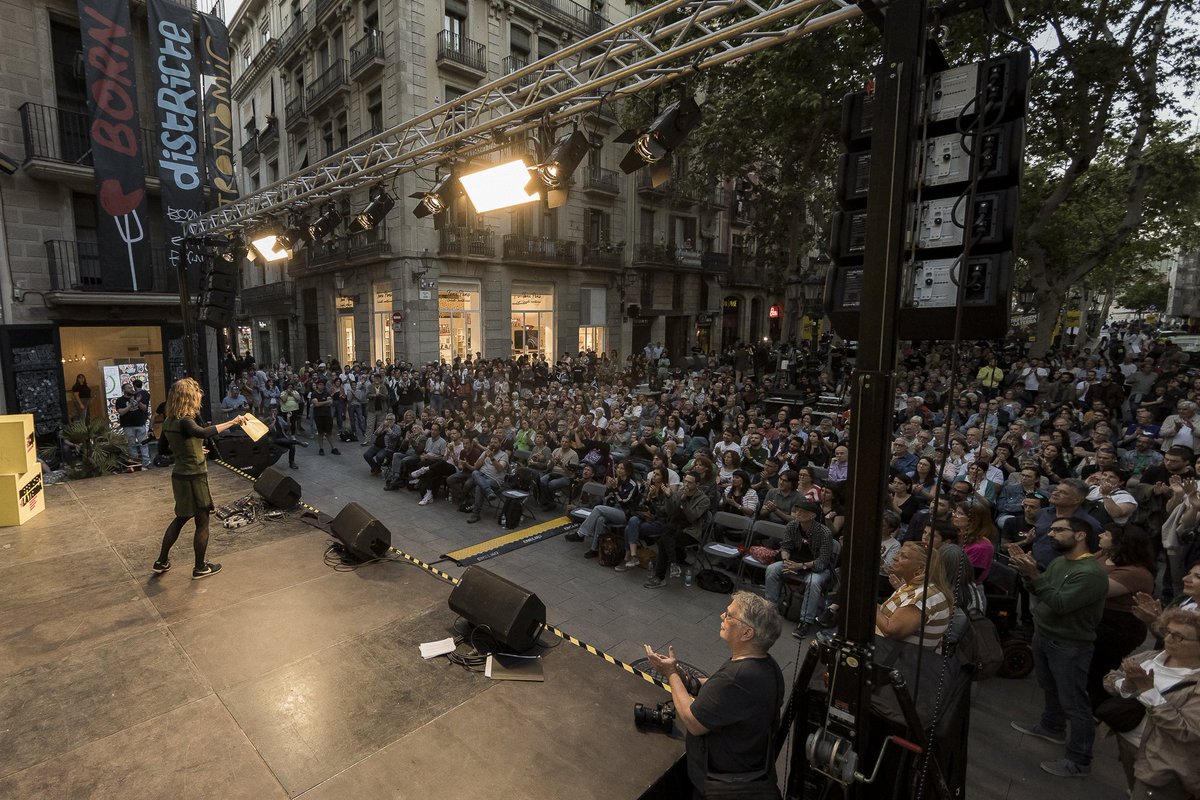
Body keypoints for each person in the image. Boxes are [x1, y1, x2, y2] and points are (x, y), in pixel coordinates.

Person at [643, 591, 784, 799]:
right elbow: (718, 690)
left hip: (722, 786)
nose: (722, 617)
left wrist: (671, 673)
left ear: (747, 633)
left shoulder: (736, 678)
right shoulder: (766, 666)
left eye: (729, 615)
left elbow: (692, 721)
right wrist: (689, 681)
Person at [1008, 517, 1110, 778]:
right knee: (1049, 685)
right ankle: (1052, 726)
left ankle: (1079, 759)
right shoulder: (1059, 562)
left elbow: (1061, 604)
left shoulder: (1090, 573)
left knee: (1074, 702)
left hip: (1069, 643)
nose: (1050, 534)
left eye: (1058, 530)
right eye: (1051, 529)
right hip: (1045, 634)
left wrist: (1033, 575)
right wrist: (1026, 573)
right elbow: (1041, 591)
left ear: (1079, 536)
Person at [153, 378, 248, 579]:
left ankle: (161, 561)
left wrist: (192, 450)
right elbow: (203, 432)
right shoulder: (186, 420)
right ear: (189, 397)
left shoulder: (169, 420)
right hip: (194, 477)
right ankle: (200, 567)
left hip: (179, 476)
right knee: (202, 522)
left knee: (180, 518)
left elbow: (163, 449)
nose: (199, 398)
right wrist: (233, 421)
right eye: (196, 394)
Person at [1102, 608, 1200, 800]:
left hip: (1162, 763)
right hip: (1127, 742)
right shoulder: (1151, 657)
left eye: (1179, 637)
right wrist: (1128, 684)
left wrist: (1148, 691)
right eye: (1168, 632)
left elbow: (1188, 730)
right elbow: (1111, 678)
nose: (1169, 639)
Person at [763, 500, 834, 638]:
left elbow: (823, 561)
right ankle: (770, 611)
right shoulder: (792, 525)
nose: (797, 513)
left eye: (802, 511)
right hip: (794, 562)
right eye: (797, 510)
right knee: (772, 569)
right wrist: (786, 560)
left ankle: (805, 622)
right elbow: (786, 546)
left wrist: (802, 566)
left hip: (817, 567)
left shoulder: (824, 533)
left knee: (813, 582)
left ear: (812, 516)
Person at [876, 541, 954, 648]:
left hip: (898, 661)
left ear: (920, 568)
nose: (895, 558)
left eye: (904, 556)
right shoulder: (910, 586)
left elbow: (891, 630)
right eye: (898, 553)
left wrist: (866, 600)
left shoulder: (924, 596)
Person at [643, 471, 711, 589]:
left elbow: (692, 517)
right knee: (666, 534)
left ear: (697, 484)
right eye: (685, 481)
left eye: (690, 482)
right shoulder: (680, 492)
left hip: (690, 531)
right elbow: (669, 512)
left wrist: (684, 501)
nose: (686, 484)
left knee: (663, 540)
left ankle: (660, 577)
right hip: (674, 527)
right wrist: (669, 497)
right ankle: (673, 564)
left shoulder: (704, 500)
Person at [115, 381, 152, 468]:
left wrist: (138, 401)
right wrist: (131, 404)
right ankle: (136, 463)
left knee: (144, 444)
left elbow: (144, 408)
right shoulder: (120, 400)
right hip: (128, 426)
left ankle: (147, 463)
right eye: (128, 388)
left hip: (140, 424)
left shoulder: (137, 397)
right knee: (131, 445)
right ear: (124, 390)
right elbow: (121, 412)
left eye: (131, 387)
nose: (131, 389)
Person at [267, 404, 307, 469]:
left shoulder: (279, 418)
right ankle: (299, 442)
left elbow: (288, 427)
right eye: (272, 411)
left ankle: (292, 463)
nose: (274, 413)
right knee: (286, 441)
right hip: (274, 439)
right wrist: (274, 420)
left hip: (282, 437)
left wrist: (288, 418)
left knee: (292, 446)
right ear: (269, 412)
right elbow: (269, 430)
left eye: (275, 411)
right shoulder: (267, 419)